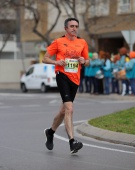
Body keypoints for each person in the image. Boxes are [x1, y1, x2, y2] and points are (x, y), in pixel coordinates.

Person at [42, 18, 89, 154]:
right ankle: (72, 142)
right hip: (62, 76)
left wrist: (83, 61)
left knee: (63, 111)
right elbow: (45, 58)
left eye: (76, 26)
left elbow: (87, 61)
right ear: (66, 29)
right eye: (72, 26)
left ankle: (50, 132)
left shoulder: (82, 42)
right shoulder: (58, 42)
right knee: (69, 108)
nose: (74, 28)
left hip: (75, 79)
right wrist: (57, 62)